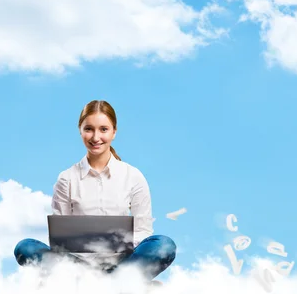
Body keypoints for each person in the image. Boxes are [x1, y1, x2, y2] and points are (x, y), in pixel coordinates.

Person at [13, 100, 176, 282]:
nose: (96, 137)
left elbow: (143, 231)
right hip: (78, 265)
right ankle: (117, 285)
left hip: (123, 262)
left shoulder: (133, 176)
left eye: (103, 129)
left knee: (163, 245)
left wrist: (115, 245)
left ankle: (102, 284)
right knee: (25, 247)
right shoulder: (67, 178)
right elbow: (61, 240)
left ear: (114, 132)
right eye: (89, 129)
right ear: (80, 131)